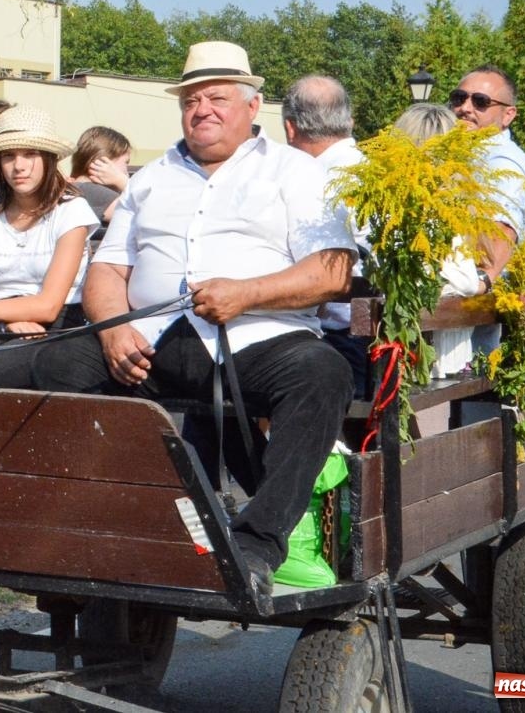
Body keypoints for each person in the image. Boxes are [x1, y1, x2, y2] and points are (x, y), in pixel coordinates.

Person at [32, 41, 355, 595]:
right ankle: (125, 520)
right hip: (153, 339)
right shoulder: (152, 178)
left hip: (260, 339)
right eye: (191, 100)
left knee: (322, 374)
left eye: (217, 98)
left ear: (251, 106)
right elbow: (107, 270)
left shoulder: (296, 171)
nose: (202, 109)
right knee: (57, 365)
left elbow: (332, 271)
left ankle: (258, 543)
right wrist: (113, 330)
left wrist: (247, 294)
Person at [0, 106, 98, 337]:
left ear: (49, 159)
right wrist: (7, 320)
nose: (19, 166)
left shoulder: (71, 210)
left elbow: (49, 306)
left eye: (30, 154)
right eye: (8, 156)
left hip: (60, 323)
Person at [282, 75, 368, 395]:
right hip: (381, 336)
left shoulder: (310, 180)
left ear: (290, 129)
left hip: (337, 338)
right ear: (349, 121)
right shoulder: (373, 170)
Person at [391, 103, 483, 380]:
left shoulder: (392, 200)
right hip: (434, 348)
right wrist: (486, 282)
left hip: (419, 340)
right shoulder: (439, 209)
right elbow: (465, 281)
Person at [448, 66, 525, 355]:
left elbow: (501, 234)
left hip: (484, 316)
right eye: (459, 98)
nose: (465, 108)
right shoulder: (467, 155)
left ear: (508, 115)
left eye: (480, 101)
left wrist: (480, 282)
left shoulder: (502, 163)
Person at [68, 126, 132, 229]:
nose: (126, 171)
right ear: (104, 162)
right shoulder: (91, 190)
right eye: (126, 162)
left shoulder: (79, 187)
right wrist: (123, 182)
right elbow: (146, 214)